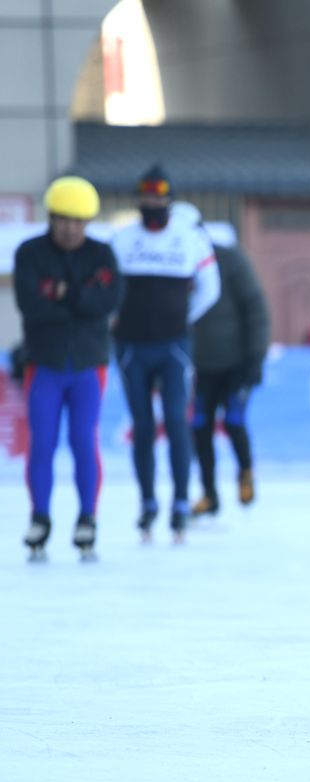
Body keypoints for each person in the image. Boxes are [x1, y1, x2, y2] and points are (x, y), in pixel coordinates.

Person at [13, 176, 124, 559]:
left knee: (82, 440)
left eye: (77, 221)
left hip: (88, 365)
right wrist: (81, 295)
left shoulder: (102, 254)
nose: (69, 228)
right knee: (41, 443)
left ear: (87, 223)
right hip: (44, 363)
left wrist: (61, 292)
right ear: (52, 218)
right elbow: (31, 304)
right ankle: (40, 517)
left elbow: (106, 302)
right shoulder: (30, 253)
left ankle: (87, 518)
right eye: (63, 219)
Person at [110, 164, 220, 540]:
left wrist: (183, 320)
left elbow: (210, 288)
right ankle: (147, 501)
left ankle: (181, 500)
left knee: (176, 421)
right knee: (142, 426)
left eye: (159, 196)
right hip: (131, 348)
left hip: (174, 346)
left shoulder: (189, 239)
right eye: (146, 195)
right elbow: (108, 291)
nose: (152, 202)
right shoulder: (122, 241)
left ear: (170, 200)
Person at [174, 203, 270, 517]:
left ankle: (245, 473)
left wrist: (256, 356)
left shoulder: (229, 260)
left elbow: (256, 309)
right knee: (200, 427)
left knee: (234, 421)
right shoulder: (175, 267)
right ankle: (209, 492)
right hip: (201, 365)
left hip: (237, 362)